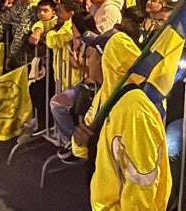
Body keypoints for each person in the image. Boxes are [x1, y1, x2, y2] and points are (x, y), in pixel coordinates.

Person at [73, 32, 171, 210]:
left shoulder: (136, 110)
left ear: (106, 61)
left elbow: (142, 184)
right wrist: (81, 143)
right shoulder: (104, 96)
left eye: (89, 56)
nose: (86, 62)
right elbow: (85, 148)